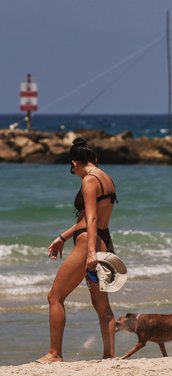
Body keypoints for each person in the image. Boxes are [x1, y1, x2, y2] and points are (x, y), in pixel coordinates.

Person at [37, 137, 119, 363]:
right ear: (95, 158)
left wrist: (90, 252)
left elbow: (90, 218)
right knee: (102, 305)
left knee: (55, 296)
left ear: (75, 163)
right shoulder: (107, 179)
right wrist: (64, 236)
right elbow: (95, 220)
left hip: (88, 245)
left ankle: (55, 354)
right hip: (104, 240)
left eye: (73, 170)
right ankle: (109, 356)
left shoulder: (89, 181)